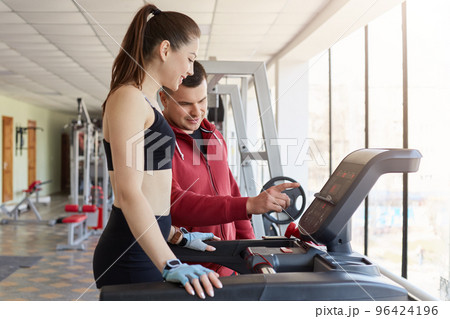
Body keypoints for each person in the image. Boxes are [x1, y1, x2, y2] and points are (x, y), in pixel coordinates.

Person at [92, 4, 222, 299]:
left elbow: (151, 188)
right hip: (131, 255)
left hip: (147, 244)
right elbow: (128, 194)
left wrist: (177, 235)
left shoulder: (145, 102)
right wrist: (170, 262)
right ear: (165, 49)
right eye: (189, 58)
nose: (190, 69)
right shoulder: (128, 98)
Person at [159, 61, 299, 276]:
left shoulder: (213, 136)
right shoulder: (158, 143)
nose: (197, 112)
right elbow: (174, 203)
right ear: (163, 100)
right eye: (185, 103)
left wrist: (251, 249)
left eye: (202, 100)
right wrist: (250, 204)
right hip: (191, 267)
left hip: (229, 263)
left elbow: (231, 191)